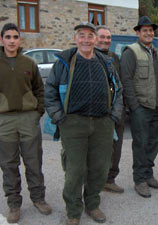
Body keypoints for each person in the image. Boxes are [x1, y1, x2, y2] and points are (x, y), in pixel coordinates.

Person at [44, 22, 123, 225]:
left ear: (95, 39)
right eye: (82, 35)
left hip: (103, 124)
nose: (86, 39)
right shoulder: (64, 62)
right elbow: (50, 91)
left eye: (90, 35)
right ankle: (73, 211)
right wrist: (59, 117)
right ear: (75, 38)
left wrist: (113, 115)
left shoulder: (106, 63)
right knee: (74, 170)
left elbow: (119, 91)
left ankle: (92, 204)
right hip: (73, 123)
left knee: (99, 168)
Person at [0, 23, 52, 224]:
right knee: (8, 165)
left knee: (34, 162)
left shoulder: (29, 63)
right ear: (2, 39)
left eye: (15, 37)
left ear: (19, 40)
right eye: (8, 37)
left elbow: (40, 89)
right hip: (4, 121)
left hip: (28, 119)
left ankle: (39, 198)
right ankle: (14, 203)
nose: (12, 40)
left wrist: (37, 112)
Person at [120, 16, 158, 198]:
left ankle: (148, 175)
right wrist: (134, 106)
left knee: (154, 143)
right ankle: (139, 180)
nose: (149, 33)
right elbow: (126, 80)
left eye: (151, 30)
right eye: (145, 30)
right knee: (140, 144)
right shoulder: (130, 52)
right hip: (141, 107)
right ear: (138, 33)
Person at [96, 25, 125, 193]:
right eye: (102, 37)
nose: (106, 40)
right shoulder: (88, 57)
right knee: (96, 150)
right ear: (95, 38)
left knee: (116, 148)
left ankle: (110, 179)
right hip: (97, 113)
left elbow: (120, 84)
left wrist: (122, 107)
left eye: (108, 38)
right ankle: (93, 183)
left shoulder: (114, 57)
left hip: (116, 111)